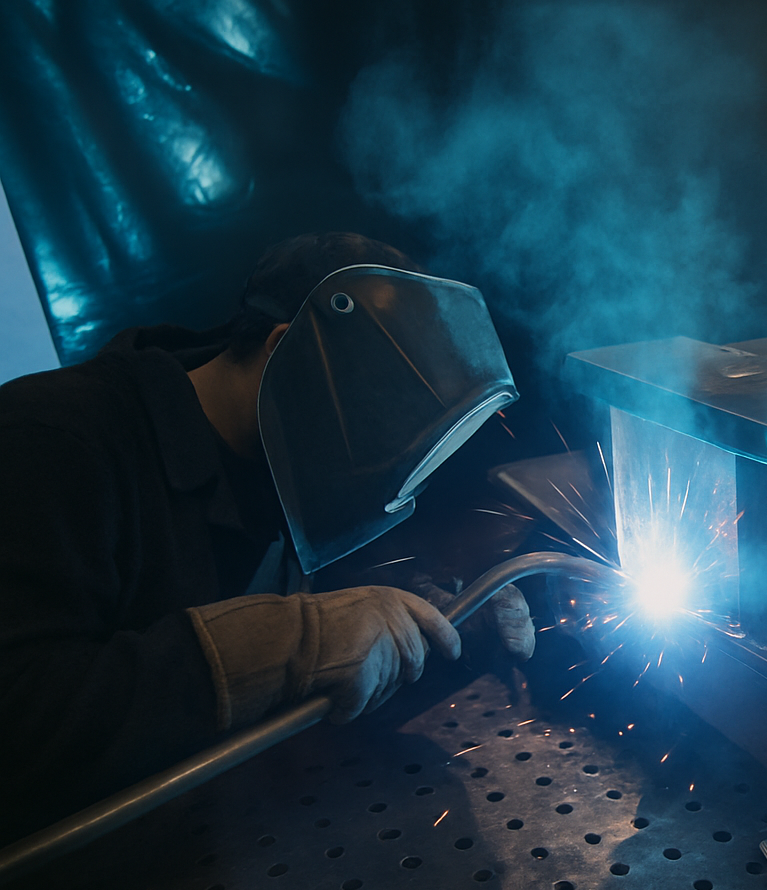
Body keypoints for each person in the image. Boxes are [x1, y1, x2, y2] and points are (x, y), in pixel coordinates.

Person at [0, 232, 534, 847]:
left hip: (212, 841)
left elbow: (322, 670)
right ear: (291, 351)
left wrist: (441, 633)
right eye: (375, 425)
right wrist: (289, 642)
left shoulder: (284, 463)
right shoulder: (50, 441)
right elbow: (18, 722)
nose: (379, 465)